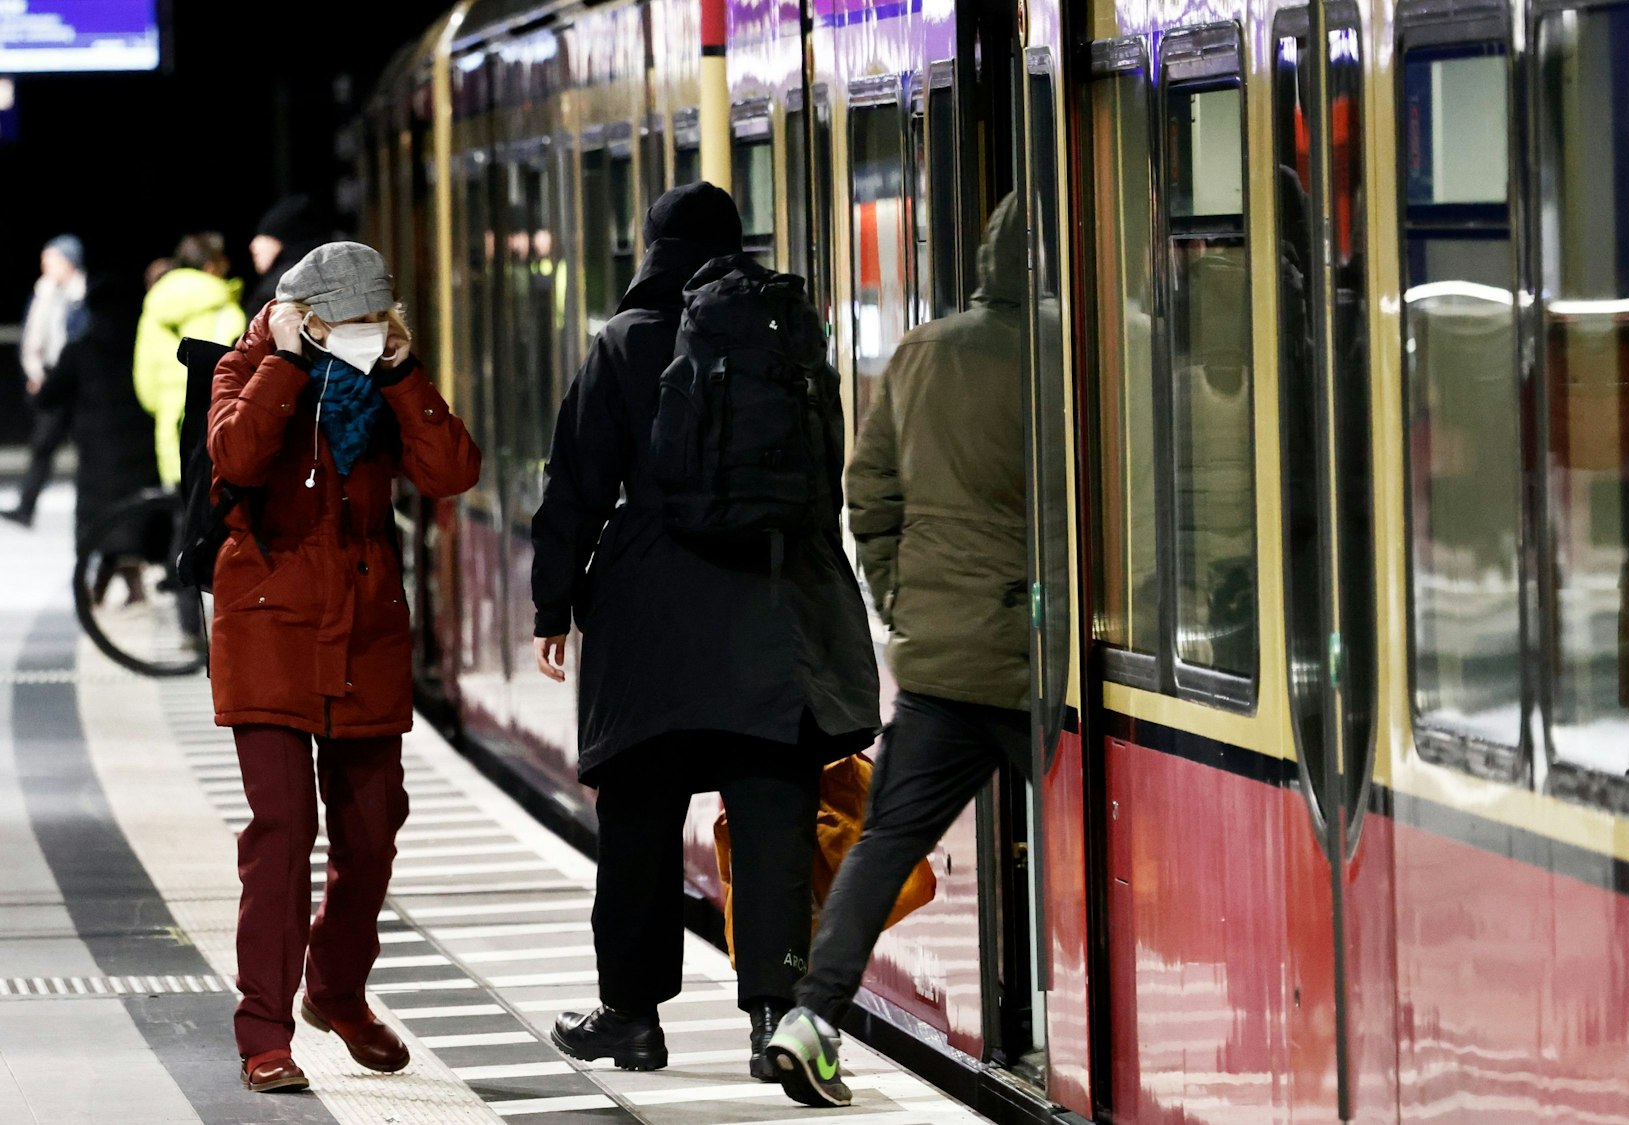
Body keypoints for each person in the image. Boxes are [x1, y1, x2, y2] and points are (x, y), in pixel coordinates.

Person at [529, 183, 879, 1079]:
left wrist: (553, 605)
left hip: (650, 628)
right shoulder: (791, 341)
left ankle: (632, 1016)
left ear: (651, 248)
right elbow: (821, 482)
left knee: (639, 823)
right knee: (773, 818)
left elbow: (575, 489)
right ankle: (775, 1019)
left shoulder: (624, 342)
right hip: (776, 617)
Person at [765, 195, 1033, 1109]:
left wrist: (903, 605)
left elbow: (869, 495)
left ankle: (812, 1015)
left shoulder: (925, 351)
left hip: (942, 662)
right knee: (1096, 854)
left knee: (883, 845)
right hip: (1052, 670)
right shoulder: (1096, 343)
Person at [207, 242, 480, 1093]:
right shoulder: (243, 368)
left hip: (365, 635)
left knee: (370, 834)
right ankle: (265, 1028)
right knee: (282, 835)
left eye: (375, 322)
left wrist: (401, 376)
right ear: (306, 317)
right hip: (269, 633)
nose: (362, 336)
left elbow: (451, 471)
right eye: (348, 326)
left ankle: (337, 988)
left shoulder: (385, 381)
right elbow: (237, 458)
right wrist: (286, 365)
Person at [35, 271, 158, 602]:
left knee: (102, 521)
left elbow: (49, 396)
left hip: (97, 449)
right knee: (131, 518)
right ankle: (121, 587)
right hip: (141, 445)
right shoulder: (143, 342)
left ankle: (104, 590)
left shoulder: (82, 349)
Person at [134, 232, 248, 487]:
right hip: (211, 423)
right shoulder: (222, 305)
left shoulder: (156, 302)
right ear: (211, 265)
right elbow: (230, 365)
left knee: (180, 507)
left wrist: (163, 405)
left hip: (171, 421)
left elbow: (145, 372)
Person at [5, 235, 88, 526]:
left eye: (51, 258)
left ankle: (89, 507)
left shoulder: (84, 293)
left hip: (80, 381)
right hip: (52, 378)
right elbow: (31, 339)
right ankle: (26, 507)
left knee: (87, 445)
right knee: (42, 445)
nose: (45, 264)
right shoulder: (43, 293)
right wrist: (35, 374)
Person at [242, 195, 330, 318]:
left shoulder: (279, 291)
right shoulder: (324, 278)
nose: (253, 246)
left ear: (281, 242)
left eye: (265, 236)